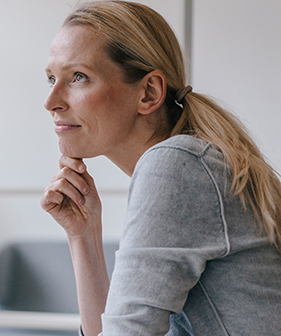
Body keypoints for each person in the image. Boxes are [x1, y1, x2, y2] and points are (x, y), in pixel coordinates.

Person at [39, 1, 281, 335]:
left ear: (149, 92)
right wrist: (83, 236)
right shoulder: (192, 160)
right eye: (51, 78)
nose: (51, 101)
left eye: (78, 77)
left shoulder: (177, 164)